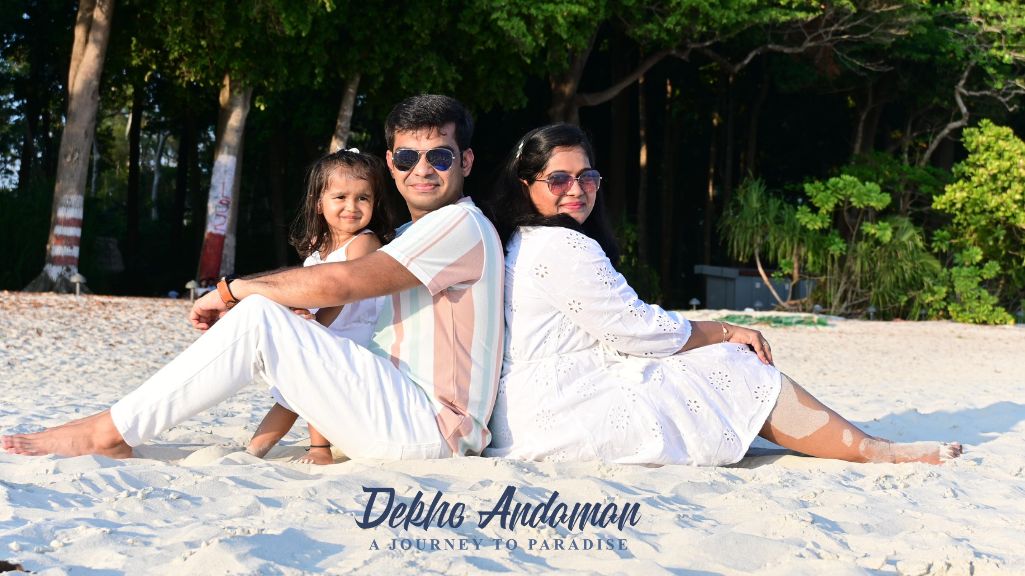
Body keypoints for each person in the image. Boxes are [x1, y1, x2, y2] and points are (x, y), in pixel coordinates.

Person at [2, 95, 505, 462]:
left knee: (261, 316)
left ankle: (109, 431)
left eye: (439, 156)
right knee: (271, 319)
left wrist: (232, 290)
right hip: (406, 414)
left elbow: (340, 284)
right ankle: (113, 426)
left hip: (431, 428)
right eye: (407, 157)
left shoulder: (457, 223)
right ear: (392, 166)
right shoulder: (424, 233)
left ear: (465, 161)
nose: (423, 169)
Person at [483, 123, 962, 466]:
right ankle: (869, 449)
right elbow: (637, 330)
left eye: (587, 177)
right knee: (735, 364)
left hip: (530, 408)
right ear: (527, 187)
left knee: (703, 370)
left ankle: (854, 440)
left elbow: (625, 326)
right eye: (559, 179)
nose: (578, 189)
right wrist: (726, 330)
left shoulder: (524, 239)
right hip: (563, 410)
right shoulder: (562, 244)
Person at [246, 148, 395, 465]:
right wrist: (297, 313)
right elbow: (305, 291)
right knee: (288, 394)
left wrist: (313, 325)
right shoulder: (318, 250)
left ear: (375, 203)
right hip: (329, 332)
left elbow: (342, 292)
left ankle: (320, 449)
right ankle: (251, 453)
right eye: (340, 197)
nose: (351, 207)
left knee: (314, 382)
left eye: (363, 198)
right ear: (318, 203)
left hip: (357, 341)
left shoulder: (365, 243)